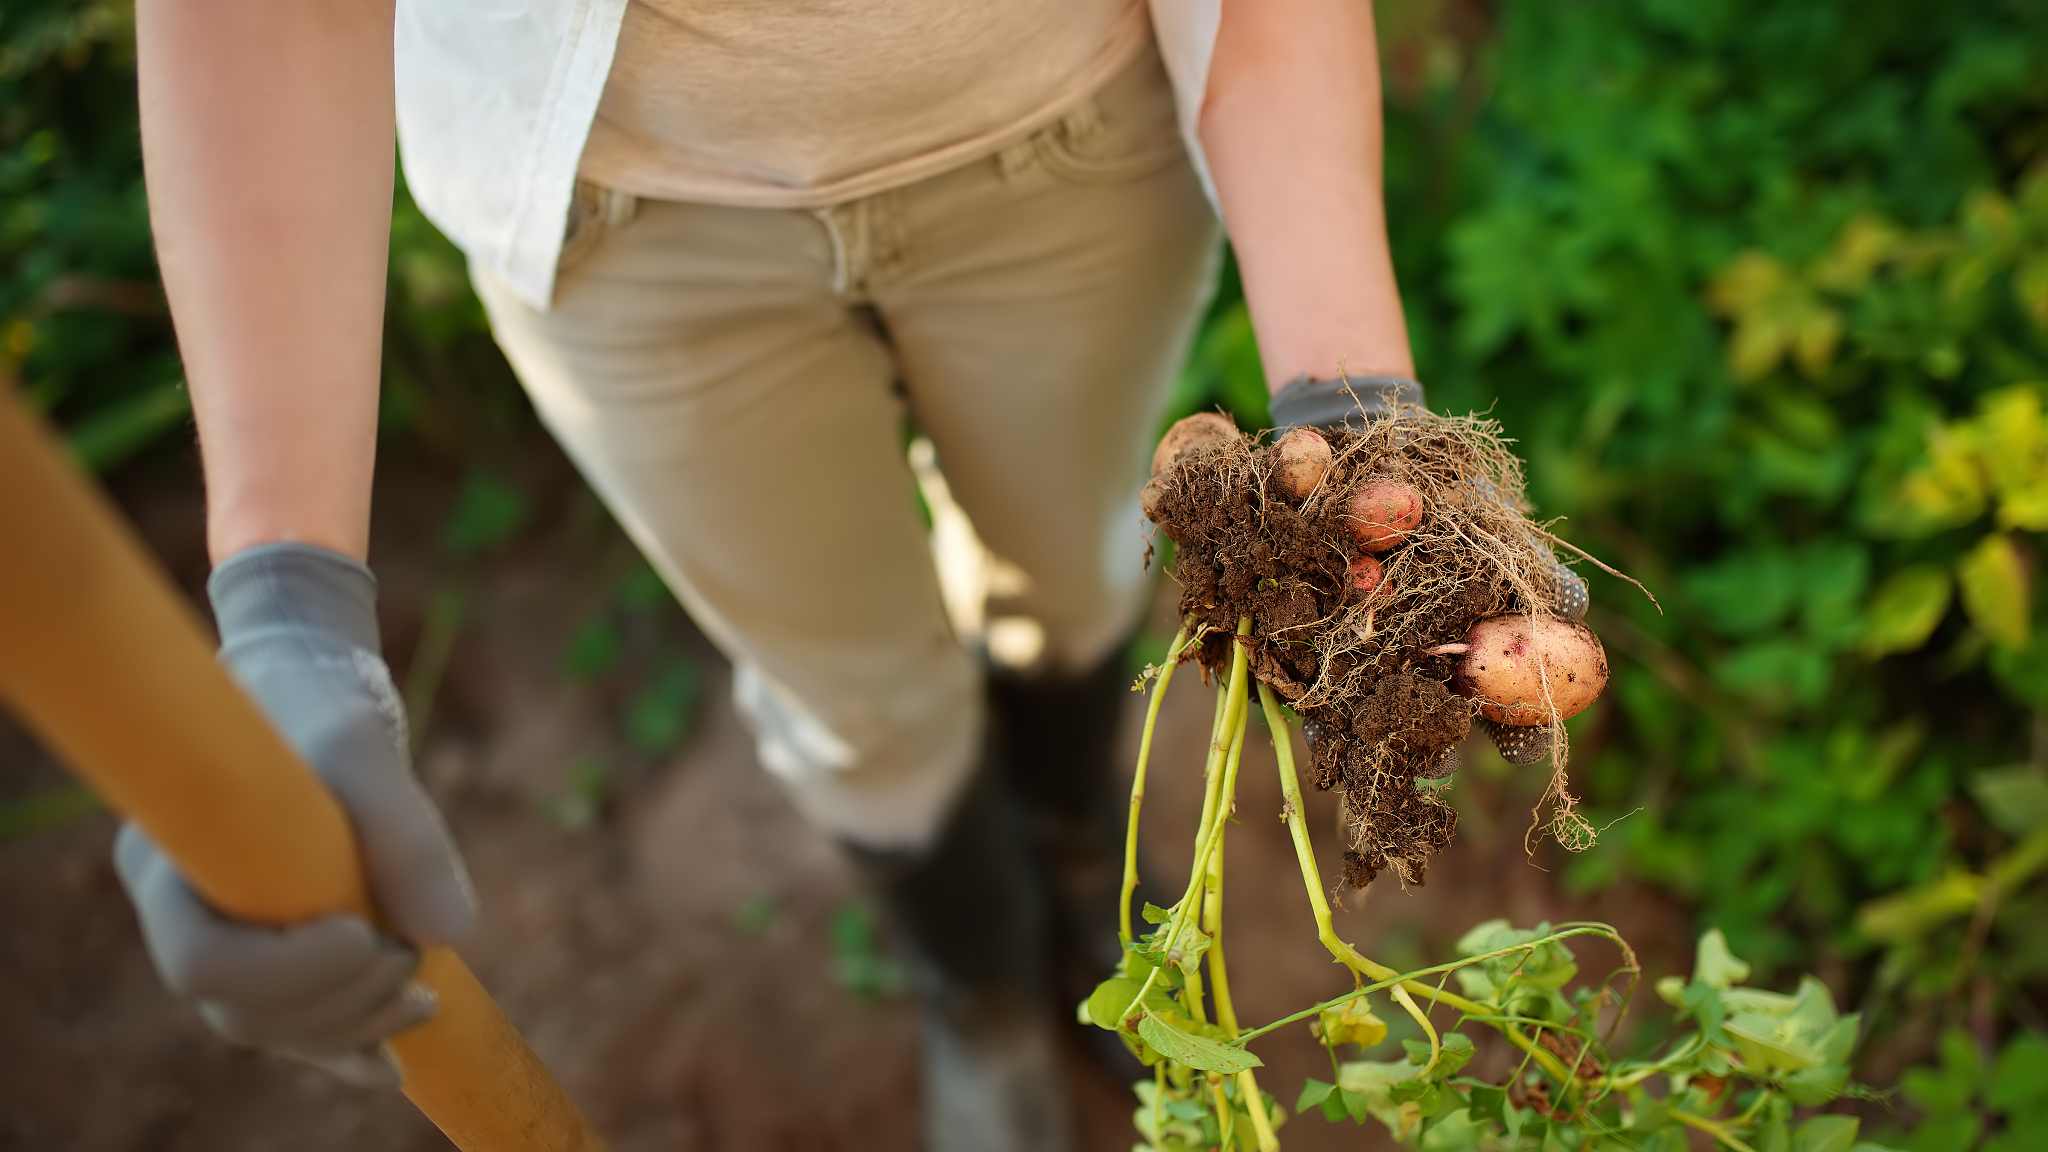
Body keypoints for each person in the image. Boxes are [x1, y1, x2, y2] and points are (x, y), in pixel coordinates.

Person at [113, 0, 1425, 1147]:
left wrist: (1355, 399)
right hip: (627, 222)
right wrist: (289, 603)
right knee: (856, 702)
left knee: (1079, 582)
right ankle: (981, 994)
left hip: (1076, 148)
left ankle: (1080, 881)